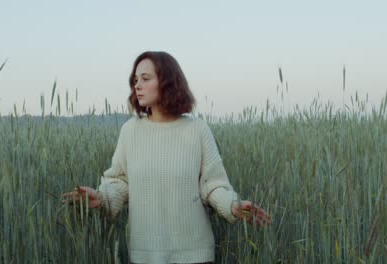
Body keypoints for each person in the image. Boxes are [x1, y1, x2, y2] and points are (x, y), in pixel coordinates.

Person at [61, 51, 271, 264]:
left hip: (194, 255)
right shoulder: (130, 131)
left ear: (168, 81)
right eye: (135, 80)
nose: (137, 85)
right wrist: (101, 196)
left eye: (145, 78)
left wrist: (233, 205)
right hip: (144, 256)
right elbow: (120, 181)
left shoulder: (197, 130)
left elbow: (213, 185)